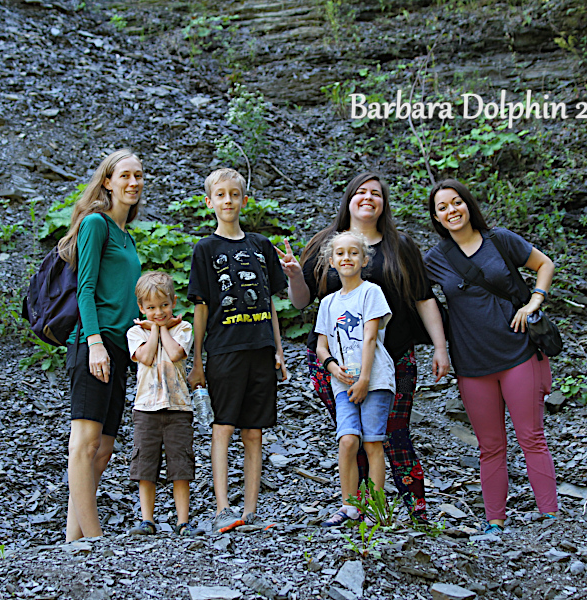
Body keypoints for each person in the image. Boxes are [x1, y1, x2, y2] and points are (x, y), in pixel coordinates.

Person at [278, 172, 449, 520]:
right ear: (349, 200)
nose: (368, 197)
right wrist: (296, 276)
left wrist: (440, 347)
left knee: (393, 432)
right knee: (350, 433)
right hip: (332, 361)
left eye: (376, 193)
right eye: (360, 192)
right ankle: (357, 506)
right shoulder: (328, 243)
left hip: (393, 357)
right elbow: (301, 302)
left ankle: (415, 507)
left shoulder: (400, 247)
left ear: (384, 203)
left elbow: (424, 298)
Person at [423, 178, 558, 535]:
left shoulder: (500, 240)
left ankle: (550, 516)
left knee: (531, 436)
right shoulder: (435, 259)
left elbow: (544, 264)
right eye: (443, 208)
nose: (451, 211)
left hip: (518, 353)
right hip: (472, 364)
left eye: (456, 203)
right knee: (490, 446)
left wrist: (534, 302)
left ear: (468, 204)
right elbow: (414, 295)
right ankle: (495, 520)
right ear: (436, 218)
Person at [186, 168, 288, 533]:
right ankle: (222, 507)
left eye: (234, 194)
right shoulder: (205, 249)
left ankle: (251, 509)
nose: (228, 201)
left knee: (255, 430)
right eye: (221, 195)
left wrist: (278, 349)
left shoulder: (260, 246)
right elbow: (201, 308)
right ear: (209, 202)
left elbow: (271, 302)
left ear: (244, 200)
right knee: (223, 426)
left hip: (260, 347)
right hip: (224, 349)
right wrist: (197, 360)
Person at [59, 149, 143, 541]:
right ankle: (93, 541)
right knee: (85, 441)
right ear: (107, 182)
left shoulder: (126, 236)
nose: (133, 183)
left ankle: (72, 539)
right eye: (125, 175)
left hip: (120, 349)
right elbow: (86, 289)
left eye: (138, 176)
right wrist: (94, 343)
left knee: (105, 447)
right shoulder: (96, 224)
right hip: (93, 344)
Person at [313, 231, 395, 527]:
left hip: (375, 380)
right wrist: (334, 368)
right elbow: (321, 345)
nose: (347, 258)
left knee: (373, 443)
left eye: (353, 253)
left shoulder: (370, 292)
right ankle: (348, 505)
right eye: (341, 253)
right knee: (348, 441)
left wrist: (364, 379)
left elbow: (371, 336)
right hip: (342, 382)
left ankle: (375, 507)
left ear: (364, 259)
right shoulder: (328, 303)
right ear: (331, 261)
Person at [126, 271, 202, 537]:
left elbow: (175, 352)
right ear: (141, 308)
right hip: (145, 408)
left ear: (174, 301)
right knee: (145, 465)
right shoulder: (135, 332)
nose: (158, 312)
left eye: (164, 306)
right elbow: (145, 357)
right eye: (151, 308)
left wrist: (160, 328)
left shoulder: (183, 328)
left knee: (180, 465)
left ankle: (183, 521)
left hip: (178, 407)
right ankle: (147, 520)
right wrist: (156, 328)